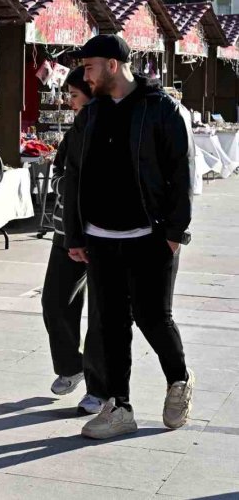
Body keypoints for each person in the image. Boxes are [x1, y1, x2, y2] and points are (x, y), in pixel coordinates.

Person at [64, 34, 195, 440]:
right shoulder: (91, 113)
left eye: (89, 67)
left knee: (153, 318)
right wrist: (75, 233)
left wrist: (174, 233)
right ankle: (118, 406)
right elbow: (74, 174)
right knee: (110, 324)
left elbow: (181, 172)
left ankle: (179, 381)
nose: (85, 75)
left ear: (113, 66)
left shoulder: (160, 108)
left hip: (149, 235)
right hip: (100, 237)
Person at [41, 67, 106, 415]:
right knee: (54, 302)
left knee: (101, 316)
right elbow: (62, 174)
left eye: (74, 94)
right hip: (67, 231)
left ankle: (100, 388)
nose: (68, 101)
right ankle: (71, 365)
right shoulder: (77, 128)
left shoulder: (110, 126)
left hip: (102, 235)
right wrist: (67, 184)